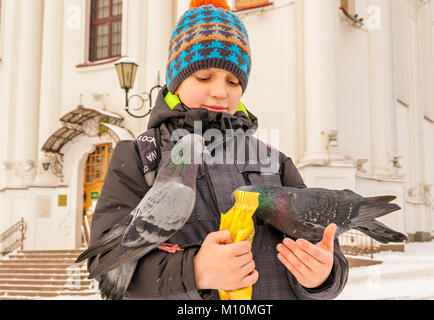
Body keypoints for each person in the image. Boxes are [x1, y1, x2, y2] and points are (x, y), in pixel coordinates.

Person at [87, 0, 348, 300]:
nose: (220, 92)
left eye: (234, 80)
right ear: (176, 79)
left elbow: (327, 253)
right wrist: (195, 271)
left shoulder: (275, 164)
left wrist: (322, 276)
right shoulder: (141, 157)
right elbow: (106, 265)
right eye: (203, 77)